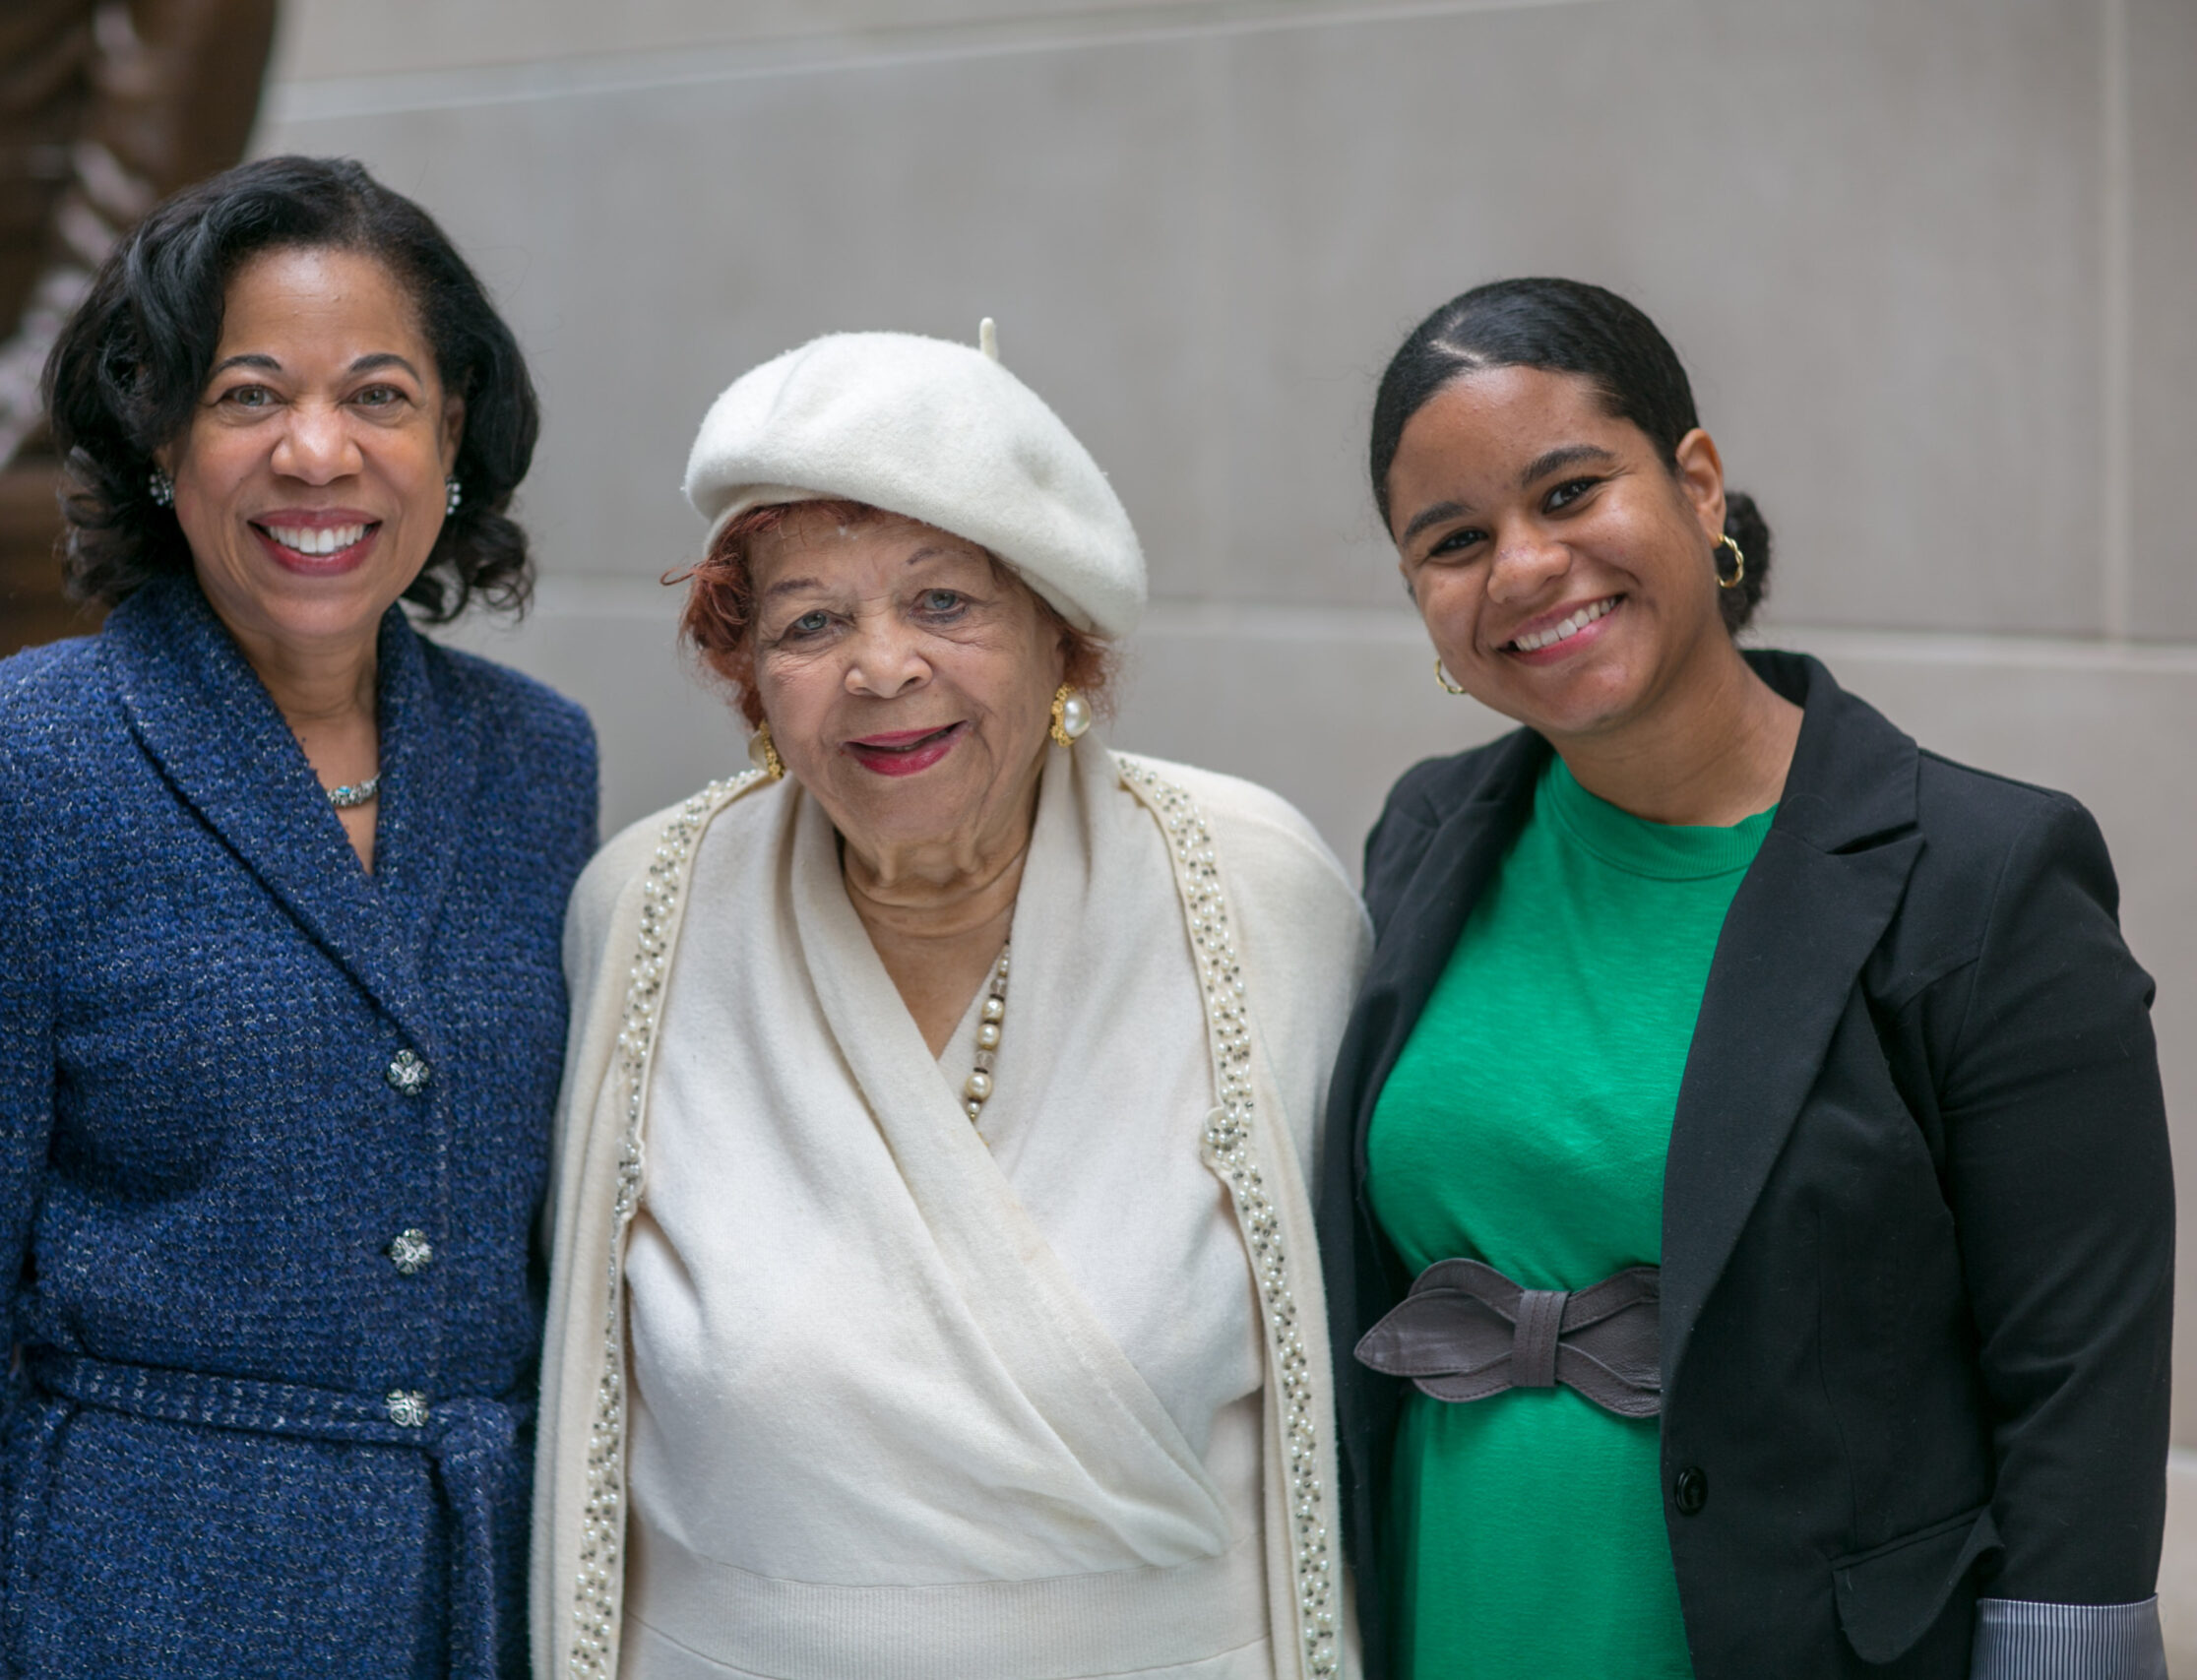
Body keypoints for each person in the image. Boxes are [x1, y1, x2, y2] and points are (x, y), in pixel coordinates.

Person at [1317, 278, 2171, 1679]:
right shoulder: (1427, 833)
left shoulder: (1984, 876)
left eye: (1571, 491)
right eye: (1455, 541)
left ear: (1697, 485)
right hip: (1452, 1625)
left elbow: (2080, 1392)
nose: (1525, 568)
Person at [0, 156, 597, 1679]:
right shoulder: (7, 770)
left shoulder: (539, 759)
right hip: (139, 1613)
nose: (318, 452)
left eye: (380, 396)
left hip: (482, 1611)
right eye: (250, 396)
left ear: (453, 438)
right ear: (161, 440)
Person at [532, 326, 1369, 1680]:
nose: (880, 668)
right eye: (810, 621)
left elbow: (1354, 1398)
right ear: (753, 680)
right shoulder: (647, 910)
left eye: (944, 604)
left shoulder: (1256, 891)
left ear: (1061, 634)